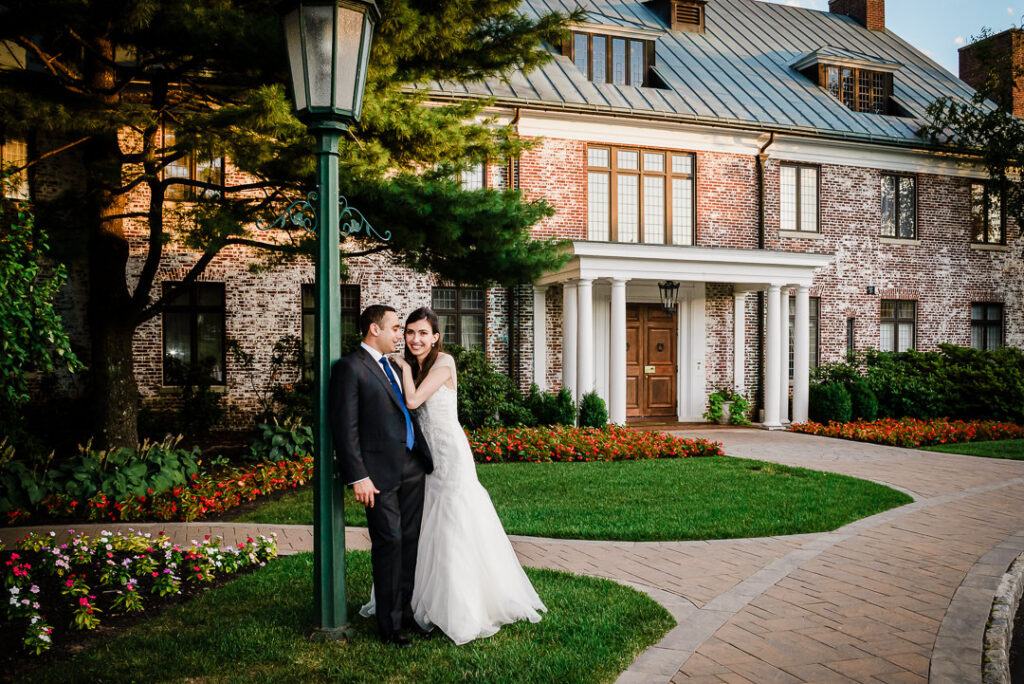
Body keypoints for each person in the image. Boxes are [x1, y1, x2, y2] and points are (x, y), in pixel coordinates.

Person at [388, 306, 546, 645]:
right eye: (410, 332)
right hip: (428, 458)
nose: (415, 339)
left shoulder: (443, 363)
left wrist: (400, 367)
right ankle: (420, 598)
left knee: (455, 521)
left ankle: (462, 603)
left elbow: (414, 400)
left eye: (422, 333)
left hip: (452, 456)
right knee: (429, 522)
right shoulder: (418, 366)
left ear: (435, 337)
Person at [329, 305, 434, 647]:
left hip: (412, 465)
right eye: (394, 328)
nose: (398, 335)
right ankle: (389, 628)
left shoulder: (390, 366)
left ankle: (404, 615)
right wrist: (358, 476)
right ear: (374, 329)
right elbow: (345, 428)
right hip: (378, 474)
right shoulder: (350, 367)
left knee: (409, 543)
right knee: (389, 544)